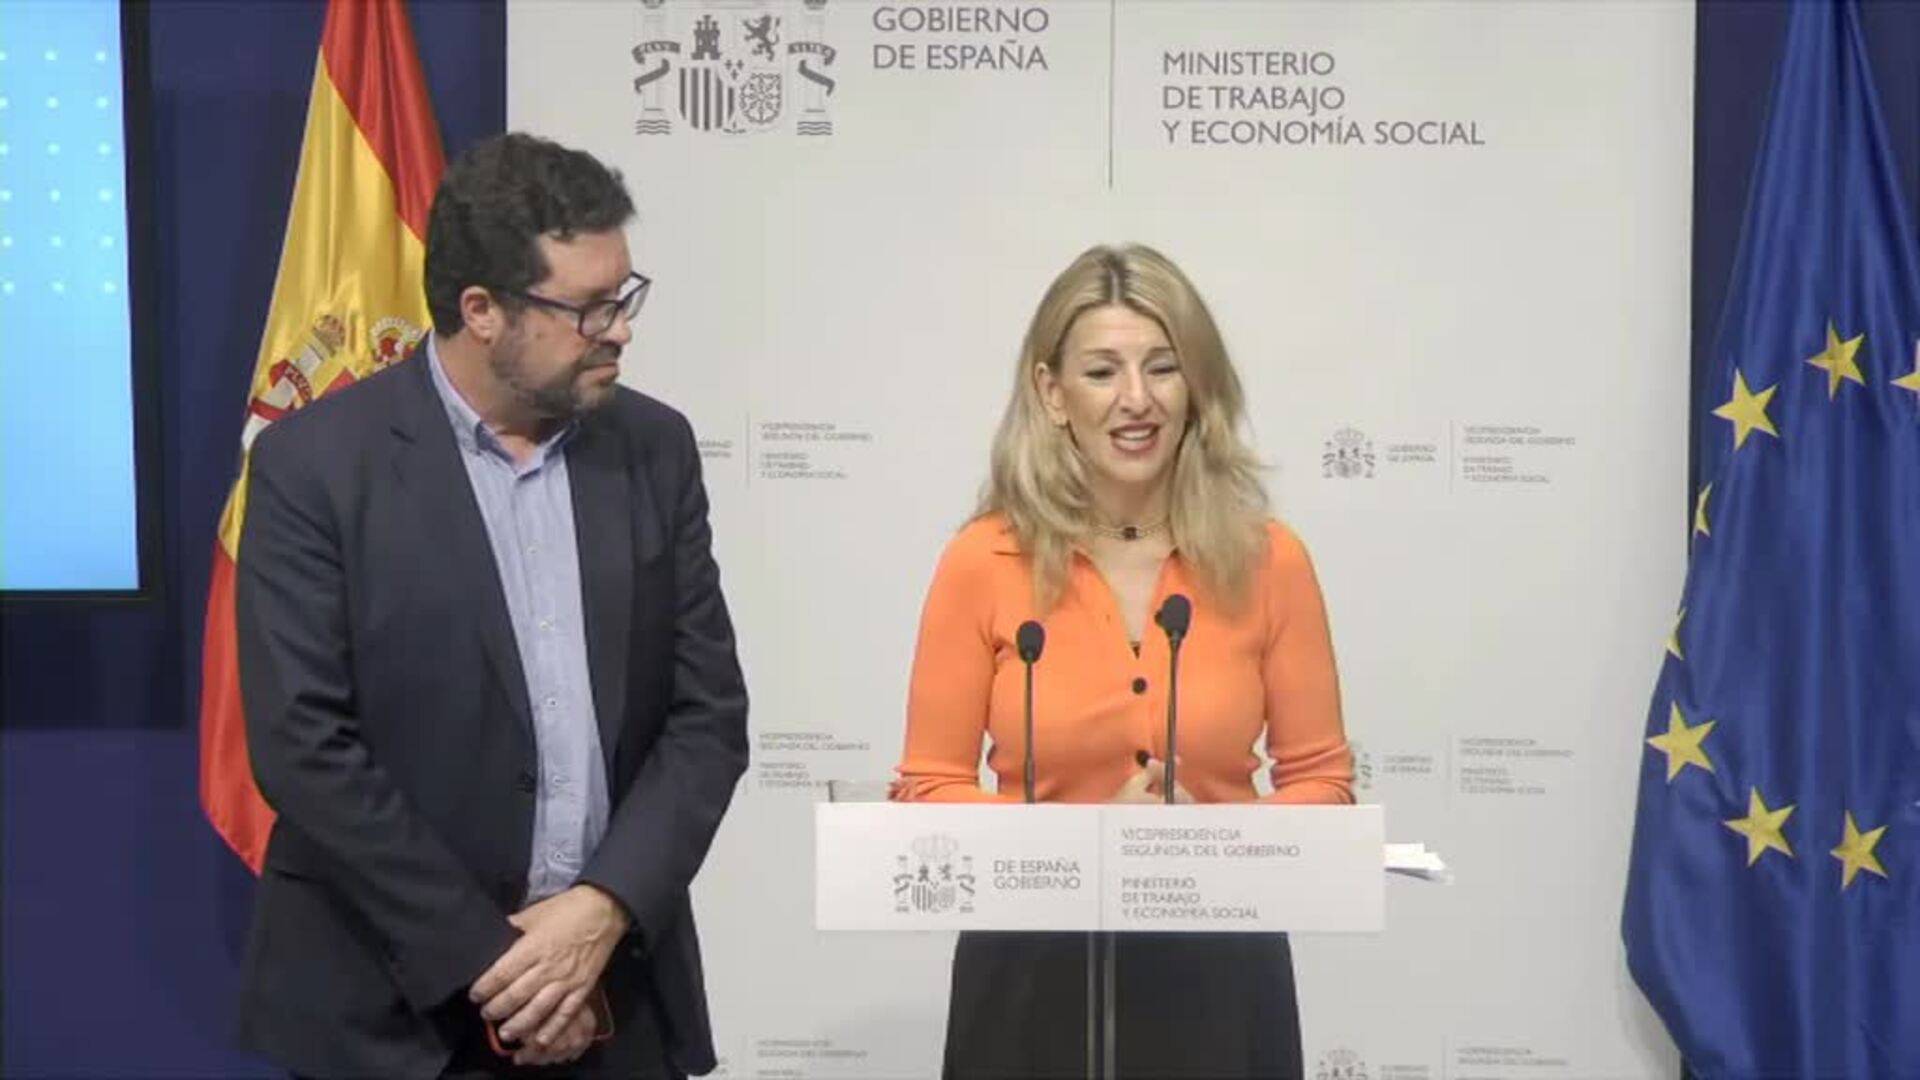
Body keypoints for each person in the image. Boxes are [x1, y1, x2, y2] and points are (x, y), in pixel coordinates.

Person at [235, 133, 748, 1078]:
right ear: (481, 311)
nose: (619, 331)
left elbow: (706, 717)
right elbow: (304, 748)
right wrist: (504, 969)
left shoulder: (655, 449)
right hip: (391, 1018)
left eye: (624, 297)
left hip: (614, 996)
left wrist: (600, 911)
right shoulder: (316, 467)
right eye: (588, 308)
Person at [891, 243, 1354, 1079]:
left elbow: (1323, 782)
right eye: (1102, 372)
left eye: (1163, 367)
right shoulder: (982, 561)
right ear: (1051, 393)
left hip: (1219, 975)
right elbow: (927, 790)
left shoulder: (1269, 560)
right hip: (1030, 973)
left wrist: (1210, 844)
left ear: (1197, 384)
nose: (1136, 399)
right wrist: (1086, 845)